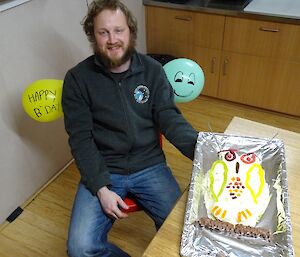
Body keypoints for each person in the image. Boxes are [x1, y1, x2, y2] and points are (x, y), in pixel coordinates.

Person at [62, 0, 198, 256]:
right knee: (80, 249)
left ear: (131, 32)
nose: (112, 39)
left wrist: (203, 149)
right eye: (103, 32)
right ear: (93, 36)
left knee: (187, 235)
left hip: (150, 165)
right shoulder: (77, 79)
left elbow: (170, 118)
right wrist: (101, 188)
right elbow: (80, 140)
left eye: (118, 30)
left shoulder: (153, 71)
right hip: (104, 170)